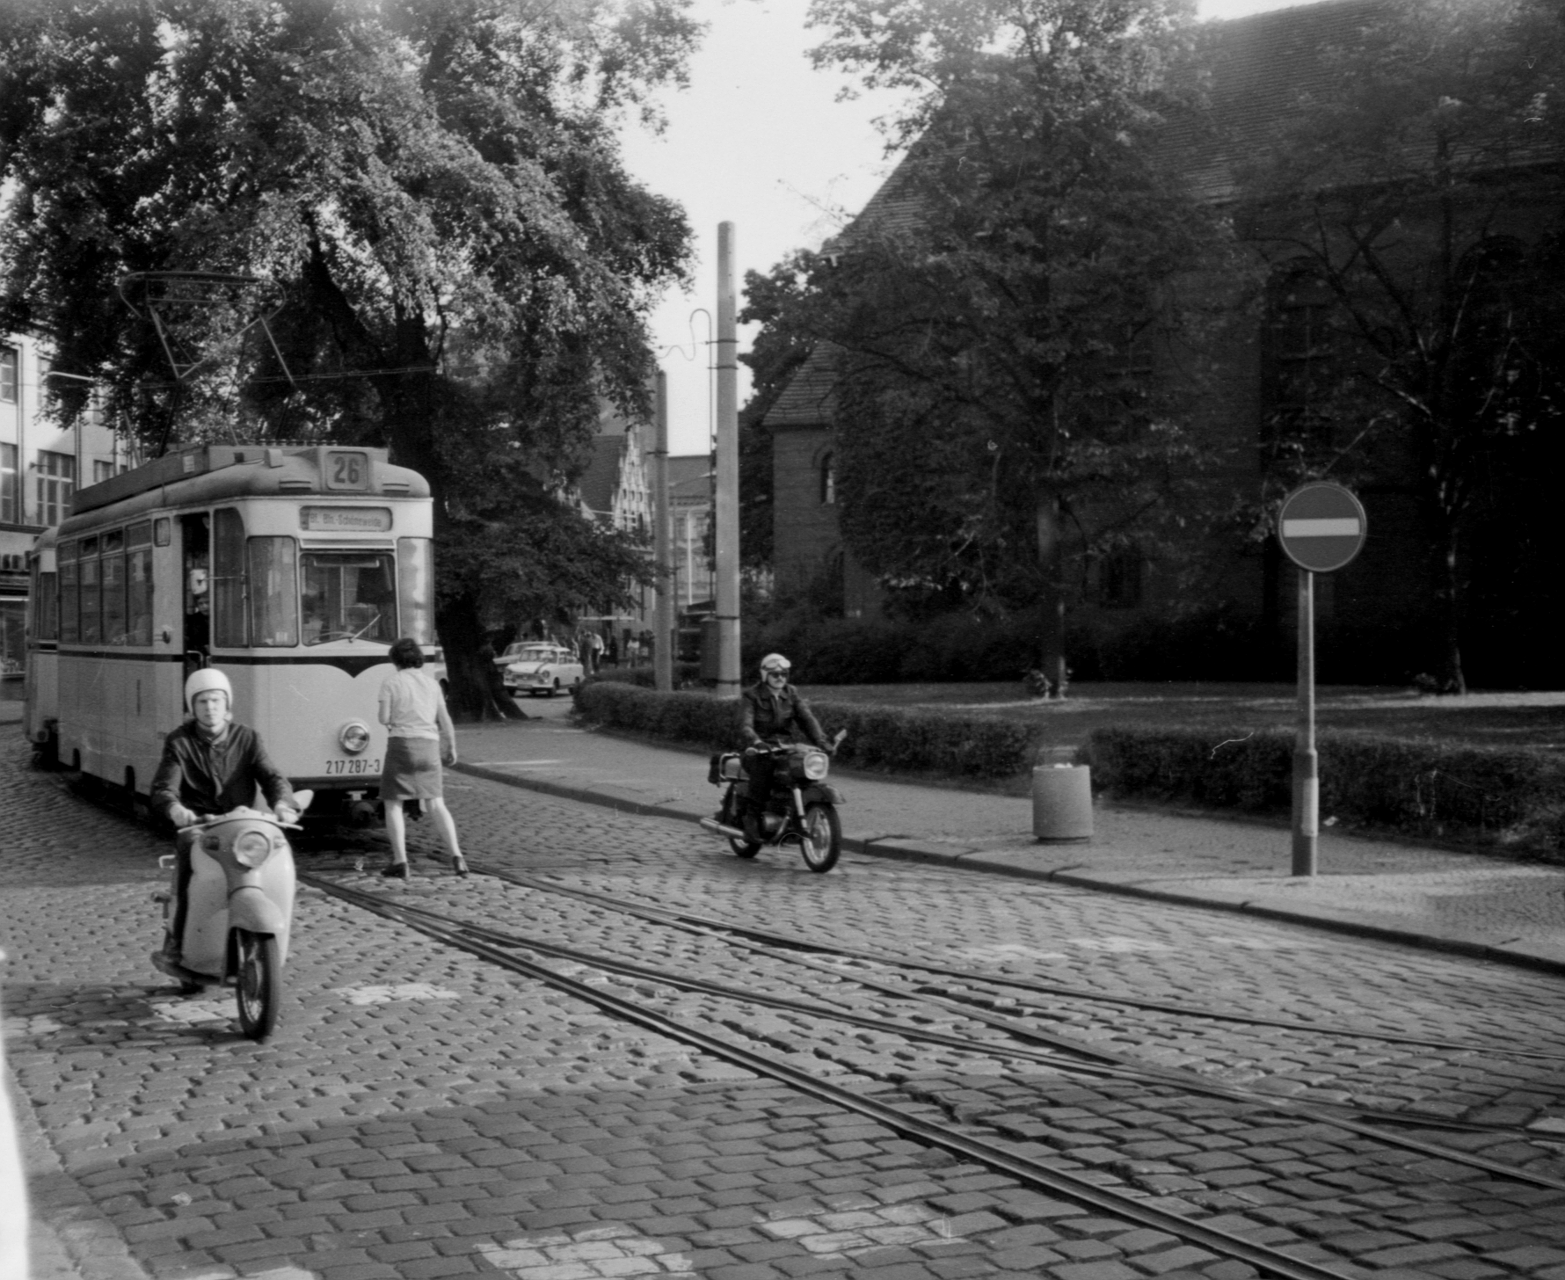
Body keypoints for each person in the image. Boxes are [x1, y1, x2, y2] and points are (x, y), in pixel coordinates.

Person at [150, 668, 299, 973]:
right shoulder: (180, 742)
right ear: (193, 706)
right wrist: (175, 808)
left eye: (216, 700)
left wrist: (283, 803)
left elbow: (271, 776)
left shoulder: (248, 737)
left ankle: (275, 932)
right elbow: (164, 786)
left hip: (243, 825)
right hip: (201, 828)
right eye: (202, 701)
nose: (210, 707)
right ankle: (176, 943)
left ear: (227, 702)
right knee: (189, 866)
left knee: (276, 853)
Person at [378, 637, 466, 879]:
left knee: (393, 803)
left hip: (401, 746)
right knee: (436, 803)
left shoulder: (391, 683)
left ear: (395, 661)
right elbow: (445, 719)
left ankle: (401, 861)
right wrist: (452, 747)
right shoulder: (432, 684)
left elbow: (383, 718)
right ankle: (457, 857)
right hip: (429, 746)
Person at [736, 652, 832, 842]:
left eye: (784, 674)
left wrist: (822, 742)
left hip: (783, 748)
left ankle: (794, 813)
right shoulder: (752, 696)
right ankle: (752, 819)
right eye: (775, 674)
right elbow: (744, 724)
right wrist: (756, 741)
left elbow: (807, 719)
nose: (780, 678)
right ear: (765, 675)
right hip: (757, 750)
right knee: (764, 765)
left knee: (801, 768)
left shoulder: (791, 693)